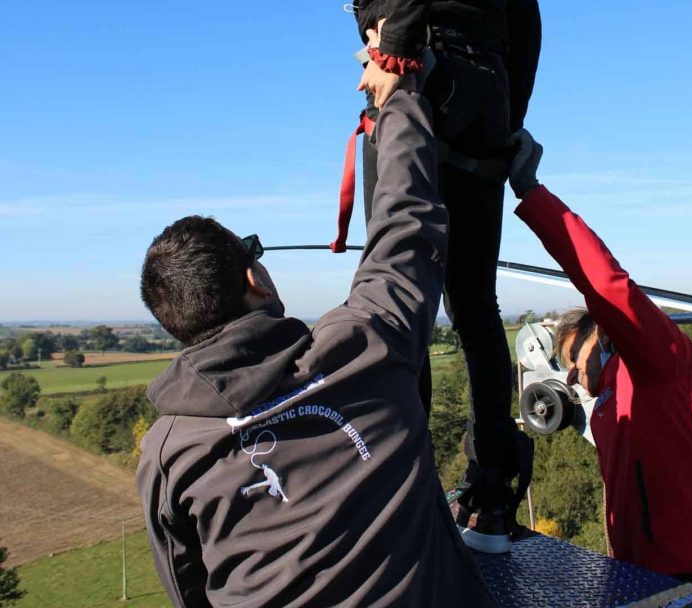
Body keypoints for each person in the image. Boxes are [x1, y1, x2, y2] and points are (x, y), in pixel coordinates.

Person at [135, 88, 500, 607]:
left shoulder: (168, 453)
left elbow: (188, 589)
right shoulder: (366, 343)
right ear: (254, 278)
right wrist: (396, 97)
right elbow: (408, 224)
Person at [351, 0, 541, 553]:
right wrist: (508, 120)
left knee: (402, 296)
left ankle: (408, 505)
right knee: (474, 303)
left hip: (420, 80)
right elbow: (526, 19)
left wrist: (395, 51)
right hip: (485, 96)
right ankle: (490, 504)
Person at [507, 130, 692, 608]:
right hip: (653, 587)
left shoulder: (661, 369)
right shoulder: (610, 410)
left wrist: (532, 194)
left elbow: (608, 286)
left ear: (603, 336)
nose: (568, 377)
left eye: (571, 359)